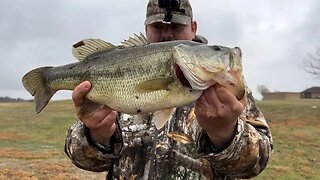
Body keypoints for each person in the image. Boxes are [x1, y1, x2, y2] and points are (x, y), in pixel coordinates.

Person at [65, 0, 273, 179]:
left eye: (176, 26)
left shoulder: (227, 87)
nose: (167, 34)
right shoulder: (120, 69)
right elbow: (83, 159)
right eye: (157, 27)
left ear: (193, 27)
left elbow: (256, 163)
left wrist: (224, 133)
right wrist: (96, 136)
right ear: (146, 29)